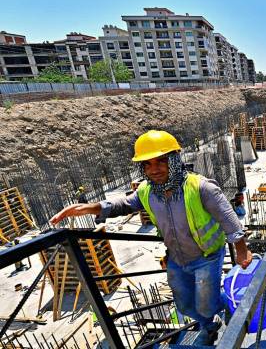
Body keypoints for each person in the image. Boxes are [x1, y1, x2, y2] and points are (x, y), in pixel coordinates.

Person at [50, 130, 252, 345]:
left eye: (161, 161)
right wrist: (89, 208)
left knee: (205, 305)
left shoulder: (201, 187)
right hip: (176, 259)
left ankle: (214, 318)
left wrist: (241, 250)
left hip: (207, 256)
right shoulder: (147, 191)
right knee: (184, 305)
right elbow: (124, 204)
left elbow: (229, 219)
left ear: (174, 160)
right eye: (147, 164)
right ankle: (211, 320)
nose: (153, 169)